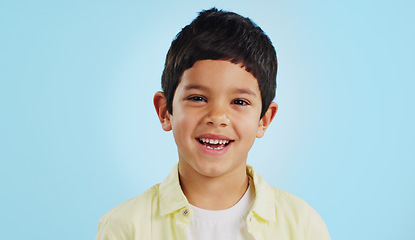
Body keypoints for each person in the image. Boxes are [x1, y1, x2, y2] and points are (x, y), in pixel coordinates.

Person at [95, 8, 331, 240]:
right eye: (197, 98)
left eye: (239, 101)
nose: (217, 117)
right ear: (165, 111)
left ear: (264, 119)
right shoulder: (125, 227)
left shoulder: (302, 227)